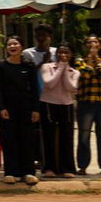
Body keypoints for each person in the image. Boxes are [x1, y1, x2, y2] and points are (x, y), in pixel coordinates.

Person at [0, 34, 41, 186]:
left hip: (26, 108)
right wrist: (1, 107)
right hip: (7, 109)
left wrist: (36, 109)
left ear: (21, 47)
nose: (12, 47)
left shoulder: (29, 66)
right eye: (9, 45)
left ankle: (28, 172)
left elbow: (35, 89)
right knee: (9, 140)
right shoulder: (1, 66)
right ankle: (10, 172)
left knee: (27, 139)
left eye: (15, 44)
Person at [38, 42, 79, 178]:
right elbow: (49, 83)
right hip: (48, 104)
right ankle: (49, 167)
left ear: (71, 55)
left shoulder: (75, 72)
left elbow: (70, 87)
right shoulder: (47, 67)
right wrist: (60, 68)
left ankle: (66, 167)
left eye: (66, 53)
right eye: (60, 52)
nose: (63, 55)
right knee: (48, 136)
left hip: (66, 104)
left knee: (66, 136)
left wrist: (65, 69)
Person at [76, 35, 101, 176]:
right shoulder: (79, 62)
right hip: (85, 102)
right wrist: (90, 59)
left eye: (95, 42)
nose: (92, 44)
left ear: (100, 45)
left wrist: (93, 61)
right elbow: (85, 75)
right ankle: (83, 166)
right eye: (89, 42)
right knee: (84, 136)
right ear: (85, 45)